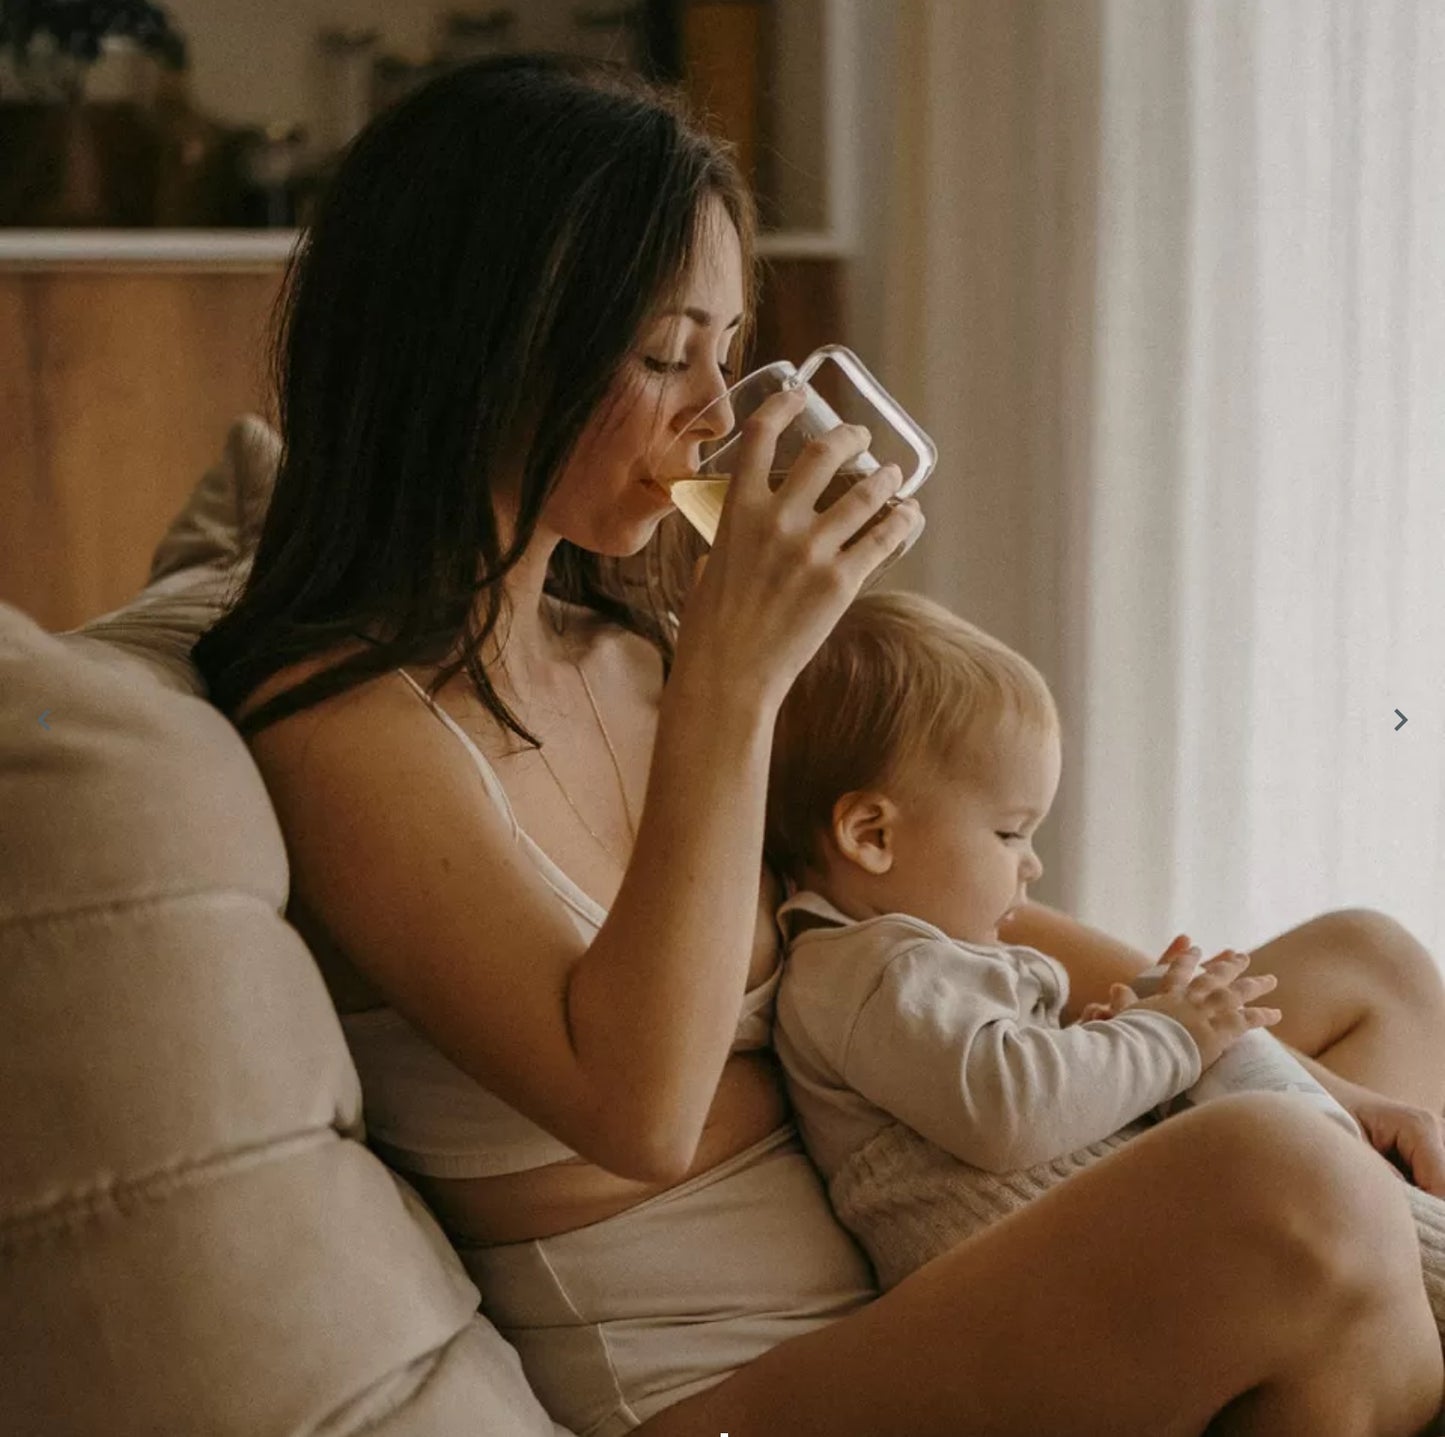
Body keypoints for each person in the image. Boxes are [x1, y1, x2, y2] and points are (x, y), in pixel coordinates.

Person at [193, 54, 1445, 1436]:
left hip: (900, 1268)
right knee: (1292, 1190)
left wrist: (1285, 1063)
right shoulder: (348, 720)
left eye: (725, 358)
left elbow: (932, 913)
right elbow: (642, 1109)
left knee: (1362, 976)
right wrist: (738, 673)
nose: (715, 422)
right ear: (485, 342)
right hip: (708, 1382)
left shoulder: (622, 645)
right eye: (666, 356)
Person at [765, 590, 1445, 1327]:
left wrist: (1121, 1036)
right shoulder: (874, 970)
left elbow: (997, 1077)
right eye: (1008, 834)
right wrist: (1164, 1036)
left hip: (1090, 1245)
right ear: (870, 834)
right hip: (1041, 1291)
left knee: (1239, 1050)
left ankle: (1401, 1237)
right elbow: (1009, 1109)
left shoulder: (900, 961)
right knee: (1272, 1133)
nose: (1030, 867)